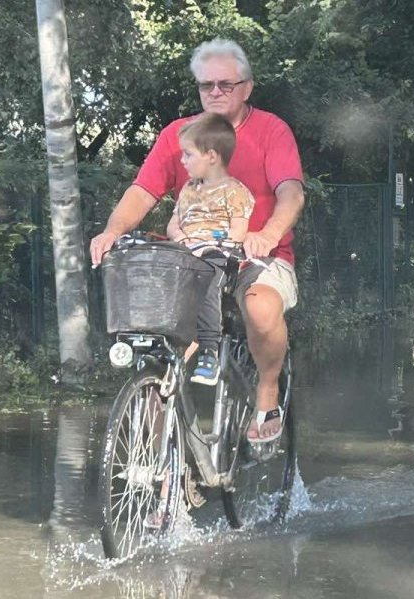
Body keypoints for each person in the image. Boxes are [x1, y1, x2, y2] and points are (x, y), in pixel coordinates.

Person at [90, 38, 304, 444]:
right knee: (159, 351)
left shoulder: (271, 131)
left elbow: (291, 192)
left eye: (226, 84)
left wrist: (268, 234)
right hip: (192, 260)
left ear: (247, 87)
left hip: (255, 256)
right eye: (207, 86)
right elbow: (143, 191)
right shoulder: (179, 135)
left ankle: (267, 392)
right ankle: (164, 471)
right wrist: (112, 231)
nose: (216, 93)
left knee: (260, 308)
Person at [166, 112, 254, 386]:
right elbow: (173, 225)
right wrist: (183, 241)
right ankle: (163, 344)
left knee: (207, 276)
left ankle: (209, 351)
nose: (183, 161)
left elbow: (239, 230)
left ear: (212, 157)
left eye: (188, 155)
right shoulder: (188, 190)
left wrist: (214, 242)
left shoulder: (235, 191)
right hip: (187, 255)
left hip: (218, 258)